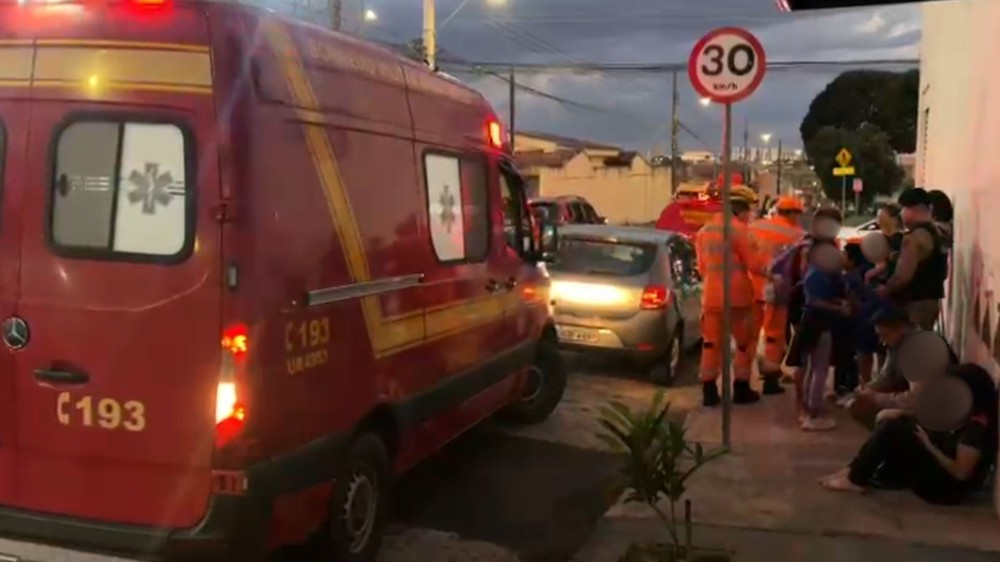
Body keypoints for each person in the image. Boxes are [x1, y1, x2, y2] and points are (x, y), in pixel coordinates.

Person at [822, 363, 998, 506]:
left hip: (948, 490)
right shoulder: (966, 412)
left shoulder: (976, 429)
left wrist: (927, 444)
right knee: (897, 423)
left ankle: (855, 478)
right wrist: (904, 415)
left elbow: (960, 473)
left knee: (893, 430)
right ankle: (854, 470)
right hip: (940, 467)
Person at [695, 192, 770, 407]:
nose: (750, 216)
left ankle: (709, 391)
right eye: (748, 212)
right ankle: (741, 388)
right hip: (738, 297)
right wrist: (773, 275)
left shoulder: (704, 231)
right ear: (739, 211)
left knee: (711, 344)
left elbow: (701, 267)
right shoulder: (739, 230)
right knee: (745, 343)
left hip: (712, 296)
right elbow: (754, 264)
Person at [847, 306, 958, 428]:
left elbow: (916, 400)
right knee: (856, 404)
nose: (882, 341)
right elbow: (887, 377)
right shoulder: (898, 343)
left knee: (886, 417)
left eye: (884, 335)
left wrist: (876, 398)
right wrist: (866, 390)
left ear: (903, 329)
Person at [749, 196, 805, 395]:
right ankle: (770, 380)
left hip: (752, 287)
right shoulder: (798, 235)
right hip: (777, 290)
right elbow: (801, 267)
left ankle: (744, 379)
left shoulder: (756, 227)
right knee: (774, 335)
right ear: (792, 213)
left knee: (751, 335)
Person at [795, 240, 849, 431]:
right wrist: (839, 308)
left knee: (814, 367)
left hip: (813, 322)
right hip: (818, 323)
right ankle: (814, 413)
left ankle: (811, 408)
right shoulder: (818, 274)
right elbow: (816, 301)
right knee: (819, 369)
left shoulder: (814, 271)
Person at [880, 188, 949, 330]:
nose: (901, 214)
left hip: (915, 303)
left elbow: (903, 275)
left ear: (912, 210)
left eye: (903, 209)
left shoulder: (914, 238)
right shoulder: (937, 233)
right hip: (931, 300)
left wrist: (885, 289)